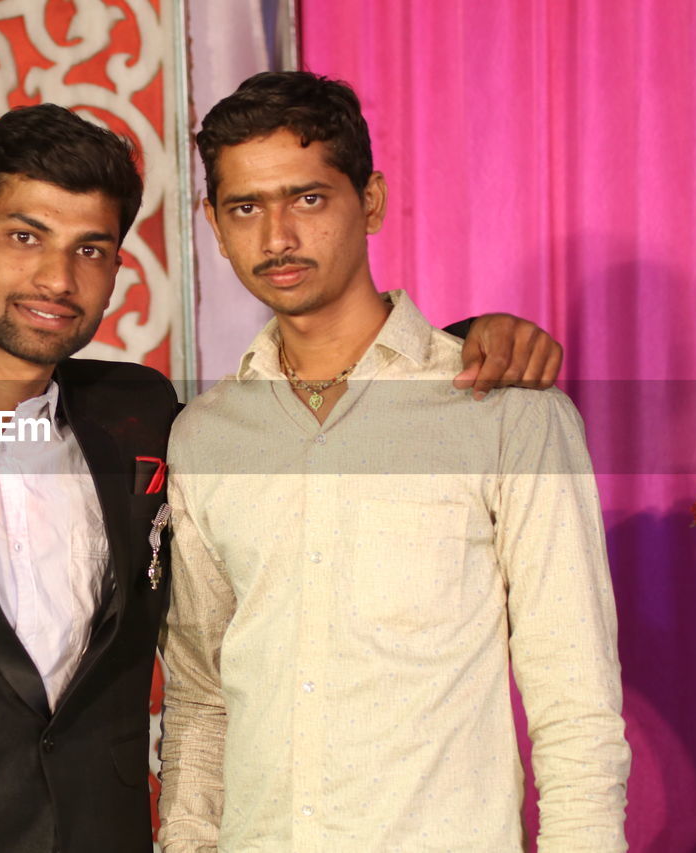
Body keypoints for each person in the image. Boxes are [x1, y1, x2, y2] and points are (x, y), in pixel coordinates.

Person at [0, 102, 563, 852]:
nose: (58, 276)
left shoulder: (143, 414)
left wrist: (473, 339)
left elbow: (330, 390)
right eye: (27, 236)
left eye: (91, 248)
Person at [157, 71, 630, 852]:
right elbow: (203, 693)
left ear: (369, 201)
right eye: (246, 207)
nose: (276, 237)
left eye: (308, 198)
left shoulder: (507, 409)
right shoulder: (205, 437)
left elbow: (575, 702)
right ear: (213, 222)